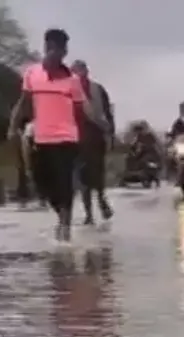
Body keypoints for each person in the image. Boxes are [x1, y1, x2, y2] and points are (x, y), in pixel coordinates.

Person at [7, 28, 108, 238]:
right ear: (47, 48)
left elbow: (84, 107)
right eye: (52, 48)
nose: (57, 53)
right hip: (41, 137)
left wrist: (100, 122)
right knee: (42, 182)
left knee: (64, 181)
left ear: (64, 51)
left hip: (66, 137)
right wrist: (13, 125)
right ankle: (61, 213)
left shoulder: (72, 80)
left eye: (61, 50)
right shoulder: (32, 74)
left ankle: (65, 224)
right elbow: (24, 102)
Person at [71, 60, 115, 224]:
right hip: (76, 139)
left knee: (96, 174)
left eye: (80, 70)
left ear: (86, 71)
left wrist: (110, 133)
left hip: (95, 137)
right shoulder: (68, 91)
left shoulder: (97, 89)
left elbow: (107, 113)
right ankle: (89, 213)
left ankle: (101, 200)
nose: (78, 74)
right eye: (75, 71)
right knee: (83, 178)